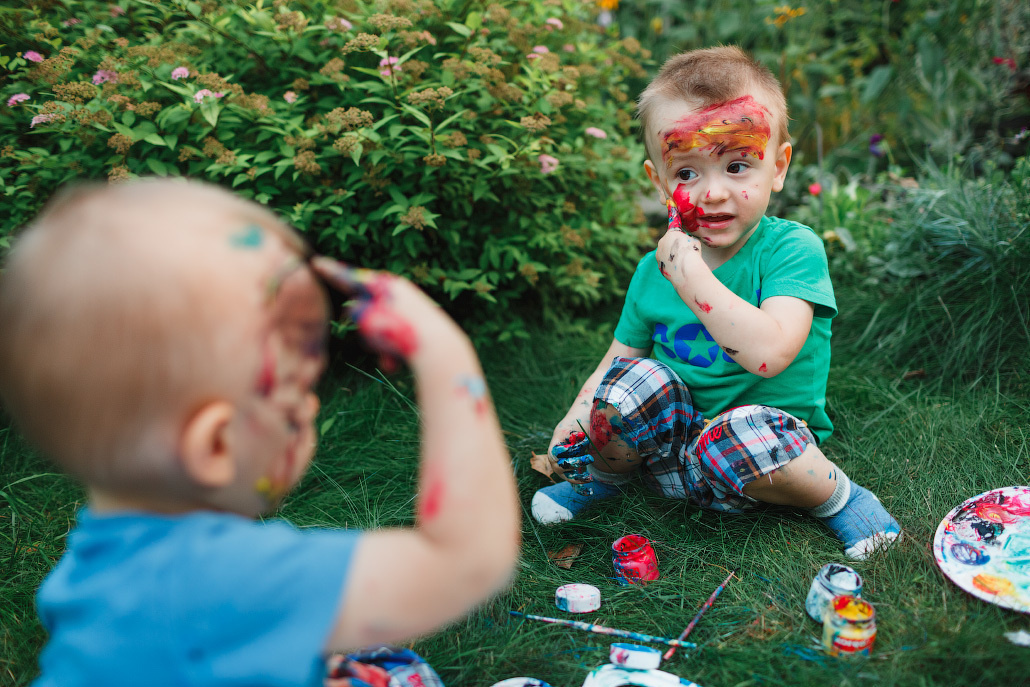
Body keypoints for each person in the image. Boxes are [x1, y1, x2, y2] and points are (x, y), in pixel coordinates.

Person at [0, 178, 520, 686]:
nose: (312, 407)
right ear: (216, 446)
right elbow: (466, 563)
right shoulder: (233, 581)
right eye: (295, 399)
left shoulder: (94, 569)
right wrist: (444, 351)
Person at [531, 46, 900, 561]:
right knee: (628, 383)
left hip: (765, 454)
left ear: (778, 167)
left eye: (737, 165)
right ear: (659, 181)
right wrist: (576, 419)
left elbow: (768, 354)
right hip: (669, 456)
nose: (713, 193)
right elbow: (615, 364)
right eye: (687, 174)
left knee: (735, 436)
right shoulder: (651, 270)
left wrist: (691, 276)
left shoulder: (791, 250)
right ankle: (605, 480)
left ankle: (838, 498)